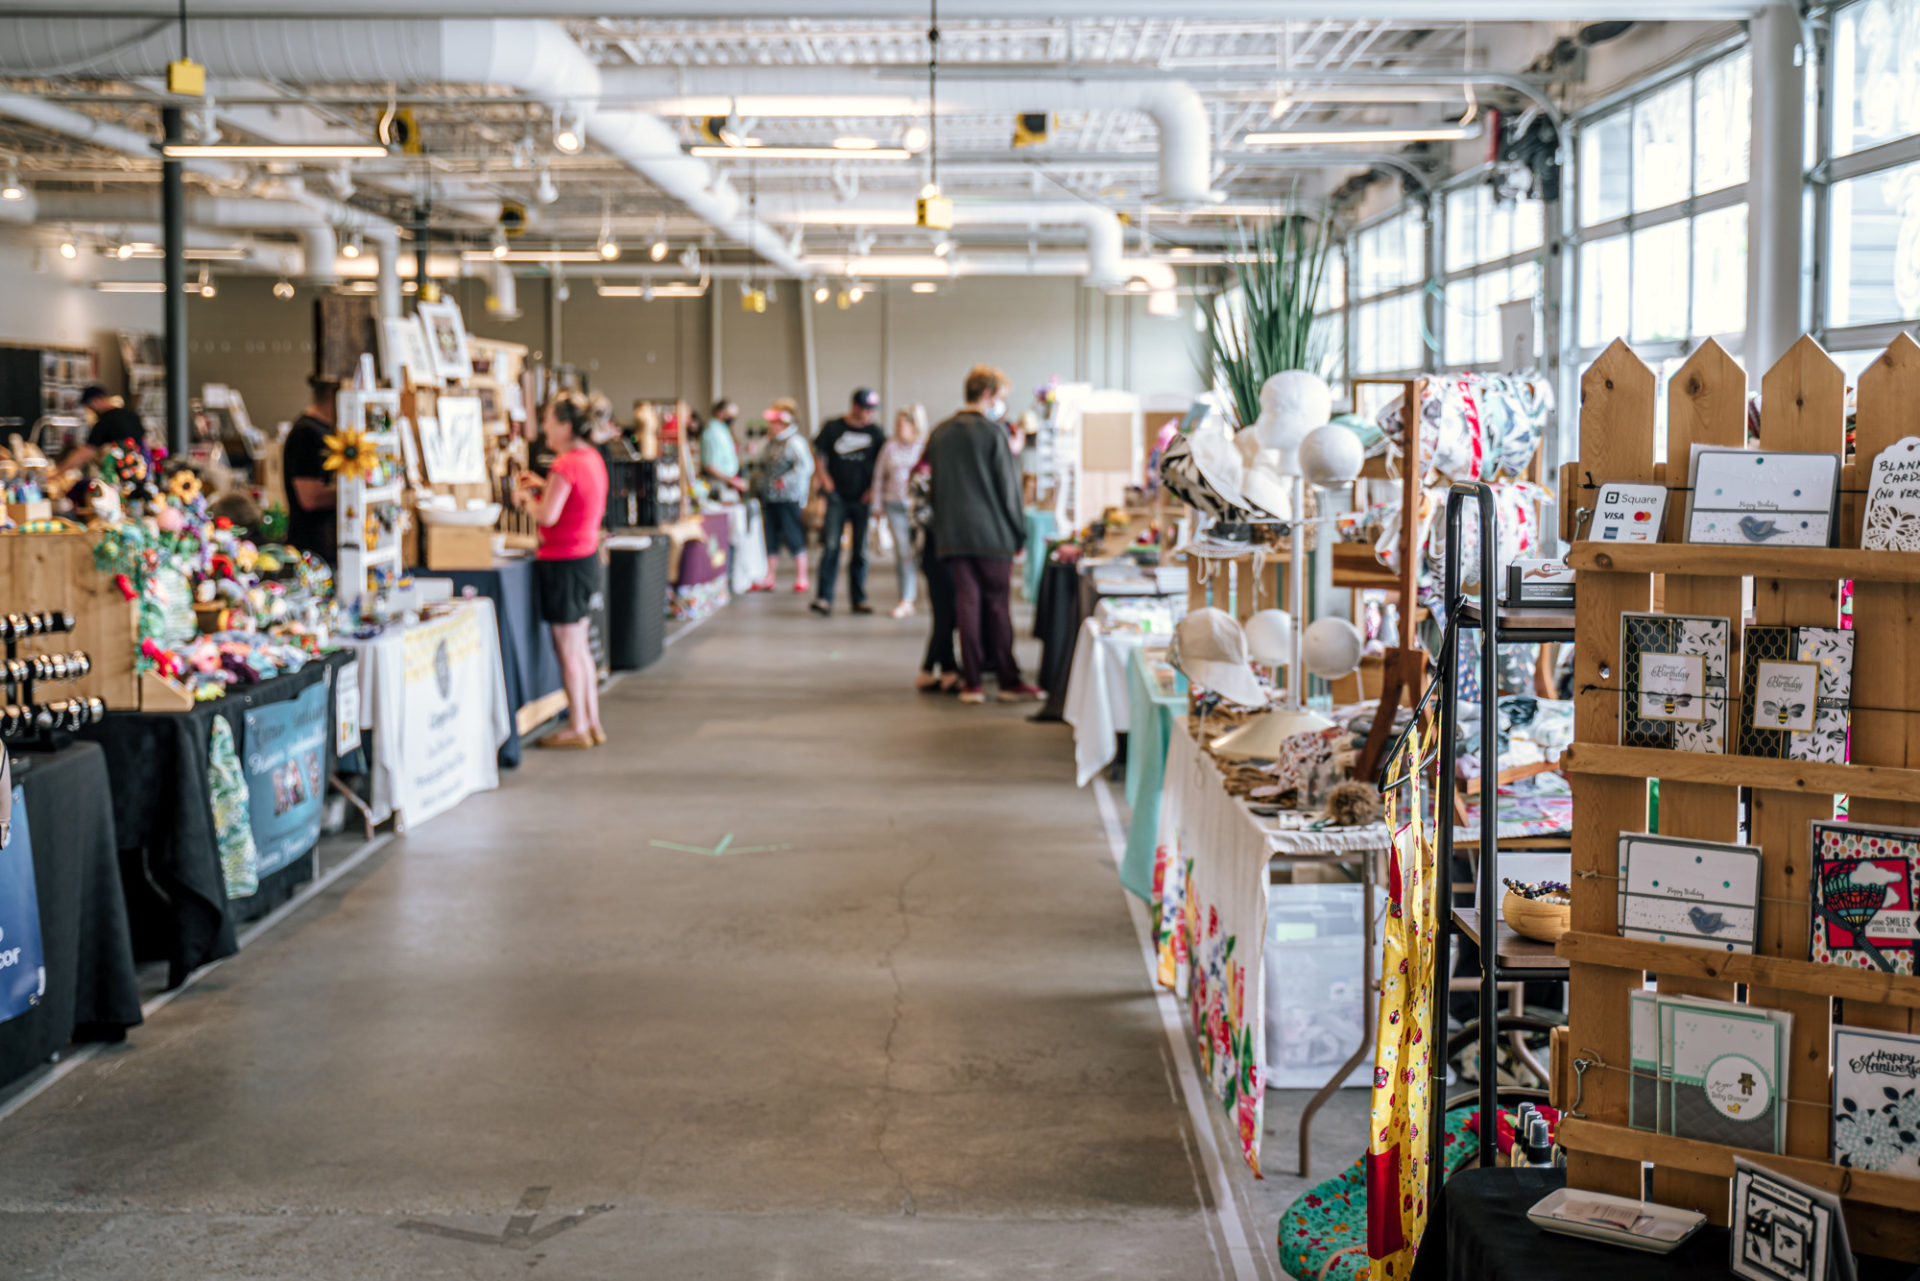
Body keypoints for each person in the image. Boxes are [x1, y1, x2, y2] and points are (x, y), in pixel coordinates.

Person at [924, 365, 1042, 705]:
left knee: (967, 606)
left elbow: (932, 488)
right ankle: (1008, 680)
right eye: (1001, 398)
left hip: (953, 536)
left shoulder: (940, 433)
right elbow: (1009, 491)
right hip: (993, 537)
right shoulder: (993, 434)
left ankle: (972, 683)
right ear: (988, 395)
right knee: (997, 607)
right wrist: (1019, 533)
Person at [512, 395, 609, 750]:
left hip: (563, 562)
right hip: (584, 559)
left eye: (549, 421)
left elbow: (547, 516)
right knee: (580, 646)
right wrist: (544, 486)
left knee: (567, 648)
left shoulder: (566, 464)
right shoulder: (591, 459)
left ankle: (576, 725)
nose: (546, 428)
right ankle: (592, 720)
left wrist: (527, 500)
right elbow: (572, 503)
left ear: (566, 426)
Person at [810, 387, 885, 616]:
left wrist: (874, 490)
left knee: (860, 551)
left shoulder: (876, 433)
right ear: (855, 407)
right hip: (837, 497)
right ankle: (824, 598)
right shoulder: (833, 427)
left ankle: (859, 598)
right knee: (832, 547)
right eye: (866, 409)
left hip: (862, 499)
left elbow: (883, 463)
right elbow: (819, 454)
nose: (869, 414)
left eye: (872, 410)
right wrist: (824, 479)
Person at [751, 398, 813, 593]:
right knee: (770, 536)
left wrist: (786, 480)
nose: (771, 426)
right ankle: (770, 576)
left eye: (774, 422)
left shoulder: (795, 442)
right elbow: (758, 460)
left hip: (788, 498)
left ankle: (802, 576)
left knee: (793, 534)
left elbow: (806, 467)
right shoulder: (771, 442)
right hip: (769, 497)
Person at [281, 376, 341, 566]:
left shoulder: (326, 431)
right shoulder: (306, 433)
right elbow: (310, 498)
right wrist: (350, 494)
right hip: (312, 551)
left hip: (328, 549)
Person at [873, 404, 926, 619]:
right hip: (894, 505)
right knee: (903, 552)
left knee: (922, 553)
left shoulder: (925, 446)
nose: (897, 427)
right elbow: (878, 477)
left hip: (919, 508)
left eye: (901, 423)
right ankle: (907, 598)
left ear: (914, 425)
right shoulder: (889, 447)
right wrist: (876, 507)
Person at [911, 459, 960, 693]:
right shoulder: (924, 476)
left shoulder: (953, 471)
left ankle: (932, 670)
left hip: (948, 550)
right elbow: (919, 515)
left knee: (947, 613)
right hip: (935, 551)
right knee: (945, 613)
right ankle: (942, 670)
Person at [56, 384, 147, 478]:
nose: (90, 410)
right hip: (138, 473)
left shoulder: (104, 422)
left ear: (98, 400)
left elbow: (86, 453)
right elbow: (144, 443)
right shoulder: (131, 415)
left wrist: (58, 472)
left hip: (117, 476)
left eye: (90, 406)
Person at [701, 398, 748, 500]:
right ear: (720, 412)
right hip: (718, 484)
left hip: (727, 482)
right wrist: (732, 481)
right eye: (730, 415)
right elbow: (709, 464)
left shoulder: (723, 430)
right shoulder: (712, 432)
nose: (732, 418)